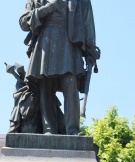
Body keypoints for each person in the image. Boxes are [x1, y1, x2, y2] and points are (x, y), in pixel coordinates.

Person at [19, 0, 99, 135]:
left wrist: (90, 51)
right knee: (46, 85)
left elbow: (87, 24)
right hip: (44, 41)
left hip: (69, 42)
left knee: (70, 82)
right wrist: (49, 8)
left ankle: (73, 130)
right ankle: (49, 130)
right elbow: (24, 23)